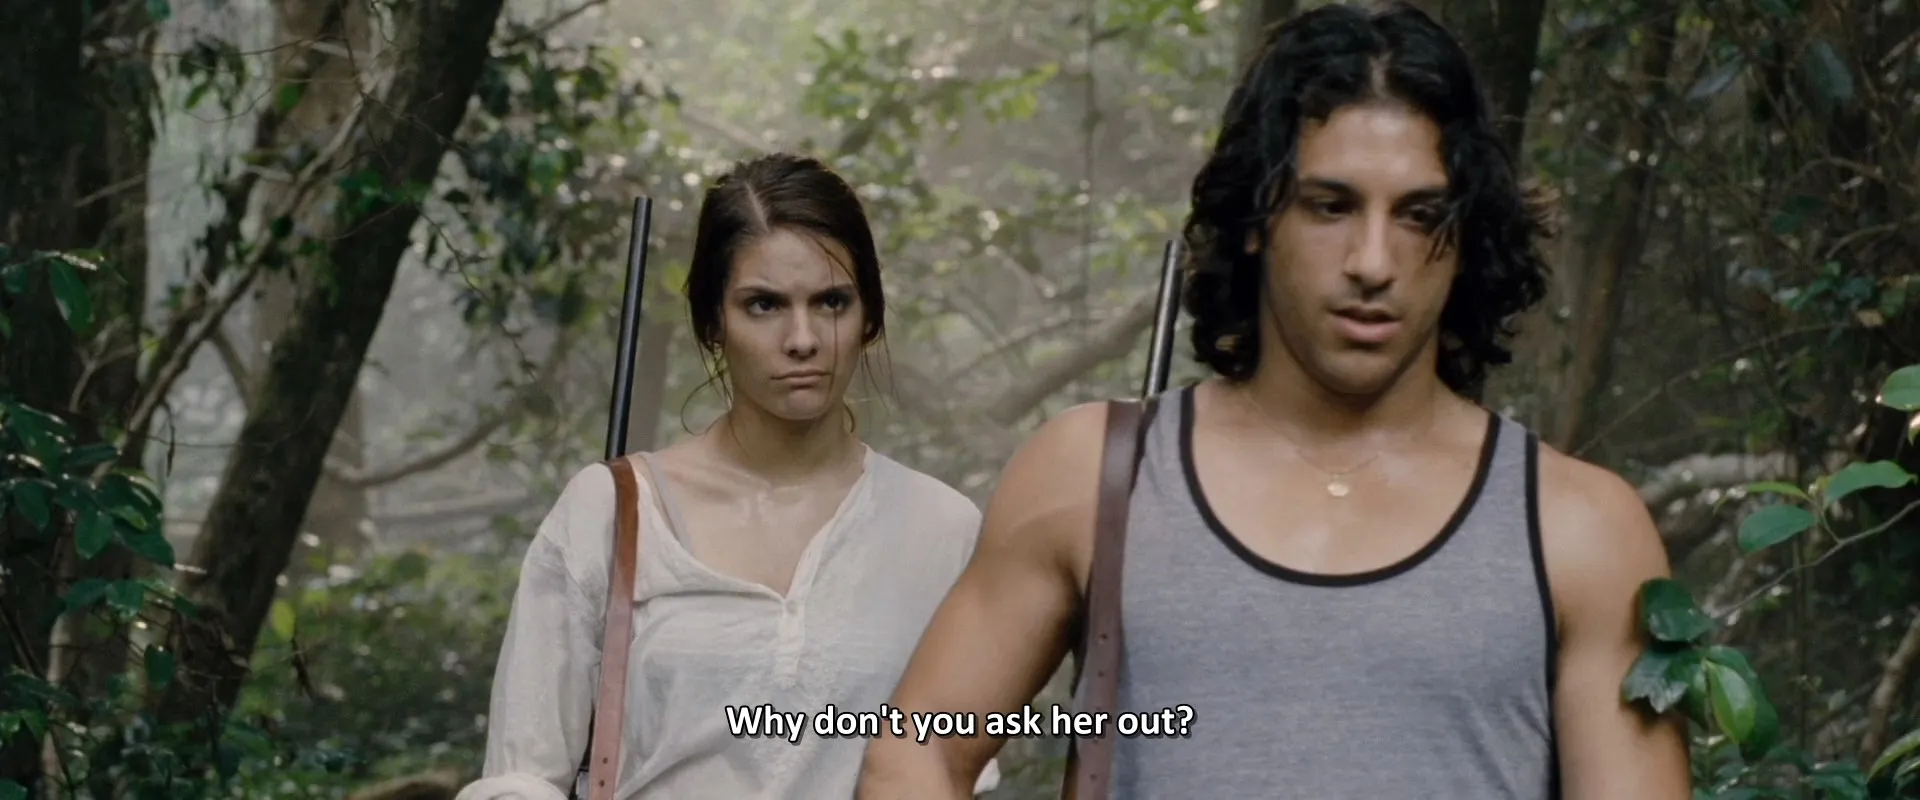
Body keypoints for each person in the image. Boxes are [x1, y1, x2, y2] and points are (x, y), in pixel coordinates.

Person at [857, 3, 1691, 798]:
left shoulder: (1580, 527)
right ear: (1258, 216)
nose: (1373, 261)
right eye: (1331, 206)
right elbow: (915, 754)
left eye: (1418, 215)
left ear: (1466, 237)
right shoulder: (1097, 476)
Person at [458, 152, 999, 799]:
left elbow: (953, 769)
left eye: (831, 302)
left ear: (871, 317)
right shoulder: (614, 510)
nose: (802, 338)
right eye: (764, 304)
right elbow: (521, 775)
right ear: (713, 321)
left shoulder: (940, 528)